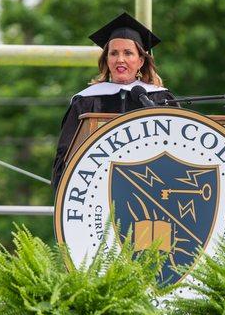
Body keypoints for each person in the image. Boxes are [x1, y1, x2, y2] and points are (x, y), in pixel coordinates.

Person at [52, 12, 177, 189]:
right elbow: (64, 156)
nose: (120, 59)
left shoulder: (159, 98)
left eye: (128, 53)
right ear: (106, 59)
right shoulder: (85, 100)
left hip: (152, 189)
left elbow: (177, 149)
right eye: (114, 53)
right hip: (96, 190)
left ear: (141, 60)